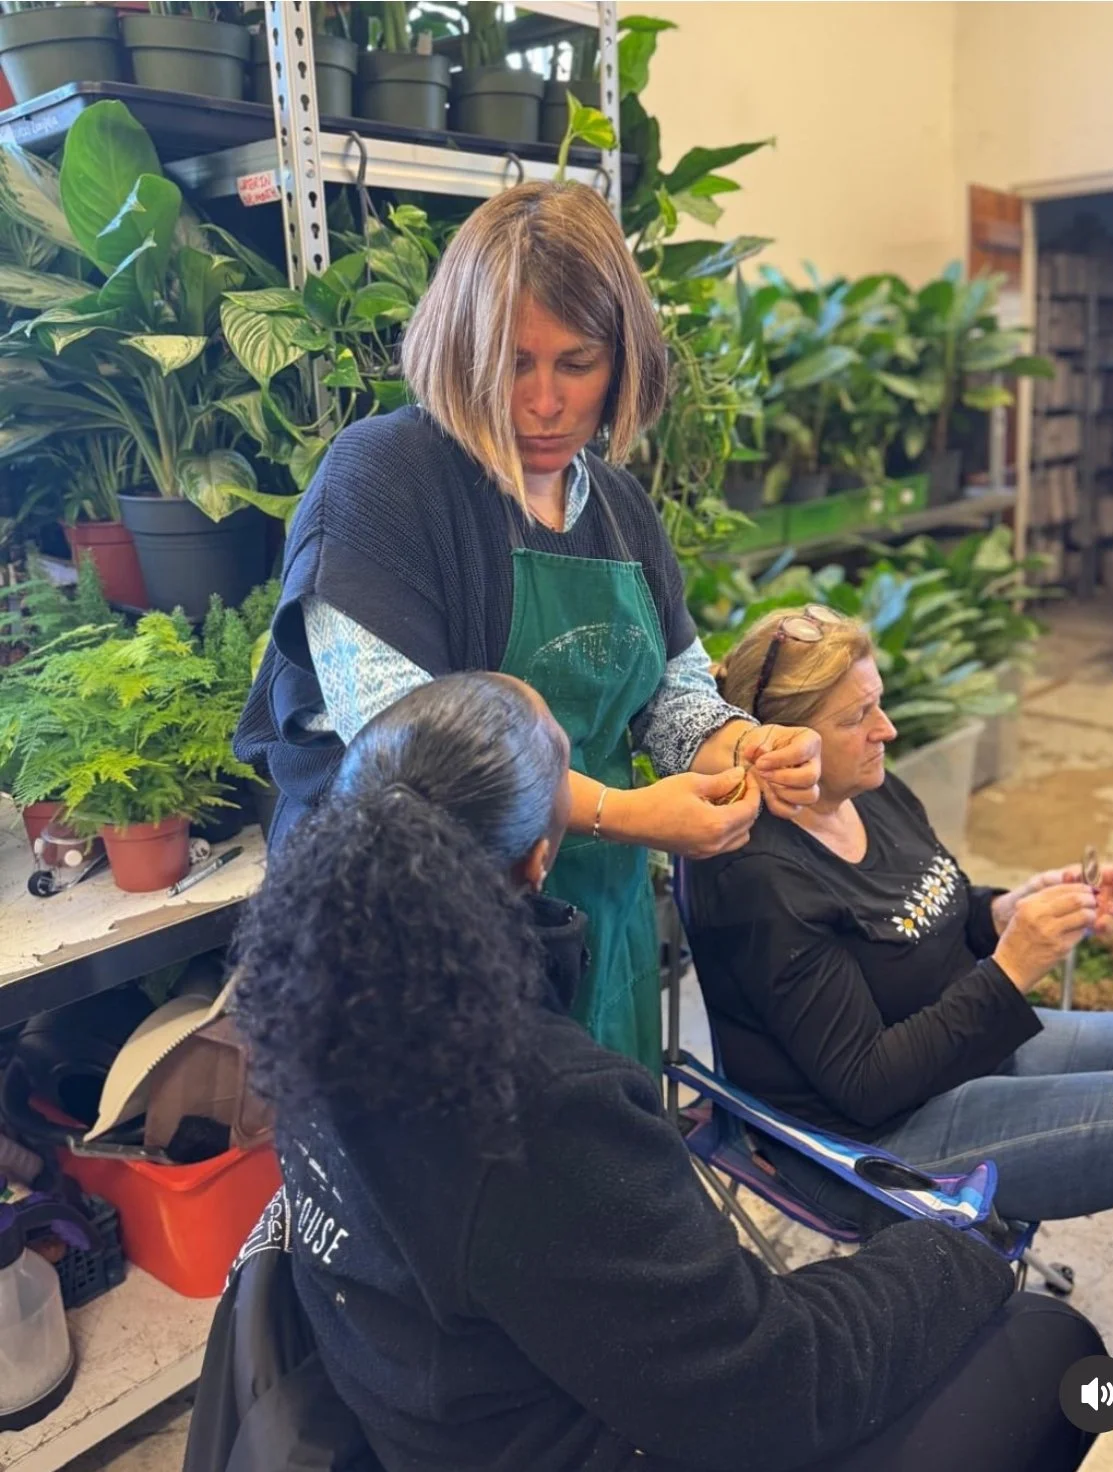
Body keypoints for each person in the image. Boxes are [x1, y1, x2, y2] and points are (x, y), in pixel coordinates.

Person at [231, 670, 1101, 1472]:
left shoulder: (328, 1019)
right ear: (541, 856)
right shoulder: (536, 1105)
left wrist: (991, 922)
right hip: (600, 1437)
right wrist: (958, 1247)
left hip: (441, 1411)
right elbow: (766, 1388)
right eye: (850, 714)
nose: (881, 727)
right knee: (1057, 1351)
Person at [233, 181, 821, 1074]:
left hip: (596, 925)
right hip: (420, 950)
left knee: (604, 1177)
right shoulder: (384, 481)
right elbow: (412, 758)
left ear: (623, 362)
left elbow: (671, 690)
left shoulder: (616, 504)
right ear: (458, 351)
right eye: (512, 364)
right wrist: (625, 813)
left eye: (575, 362)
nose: (544, 403)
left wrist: (739, 747)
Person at [686, 604, 1113, 1234]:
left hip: (971, 1052)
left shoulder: (869, 790)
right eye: (856, 718)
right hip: (874, 1144)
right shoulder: (760, 877)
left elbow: (928, 915)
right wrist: (1013, 967)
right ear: (779, 743)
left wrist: (1006, 910)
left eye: (879, 703)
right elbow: (867, 1084)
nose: (888, 730)